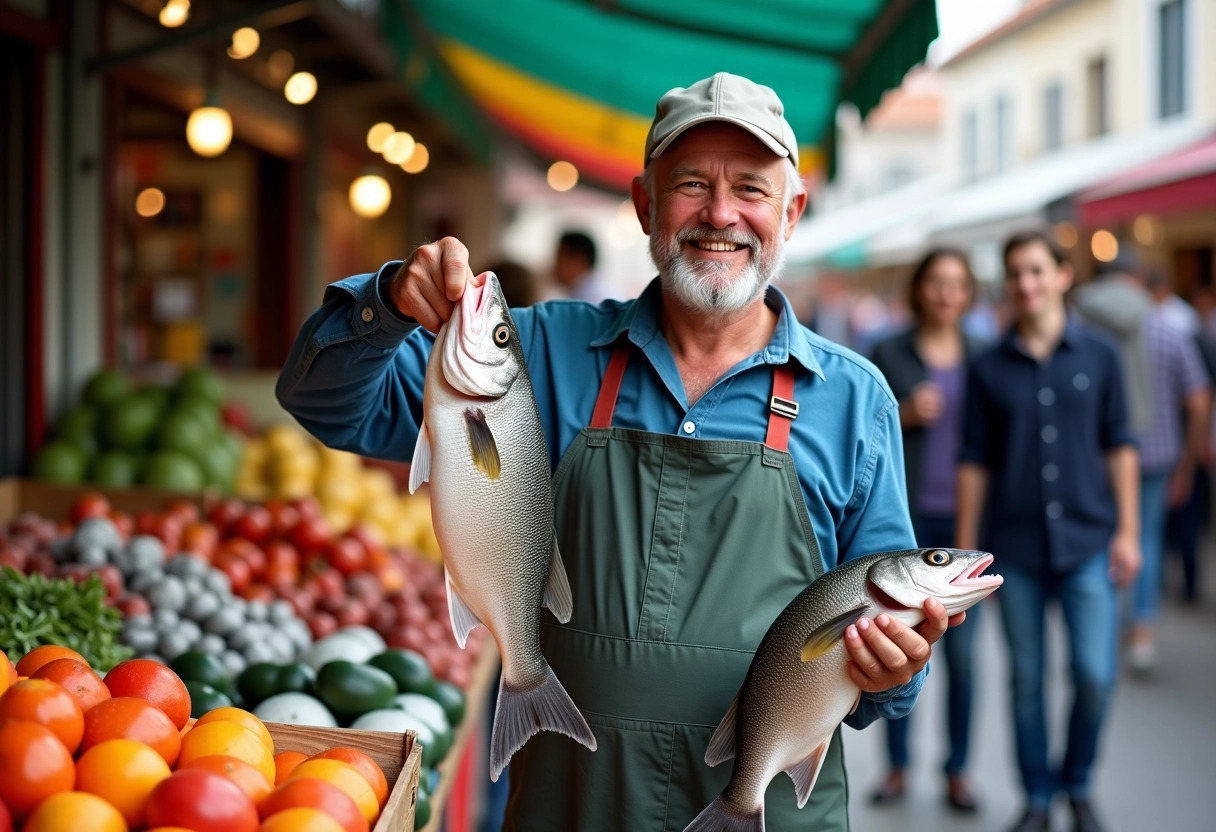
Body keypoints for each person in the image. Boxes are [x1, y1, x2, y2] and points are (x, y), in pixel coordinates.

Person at [277, 72, 964, 831]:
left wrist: (895, 665)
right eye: (692, 184)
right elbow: (326, 402)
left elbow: (889, 674)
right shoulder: (537, 352)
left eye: (752, 190)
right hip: (572, 806)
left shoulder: (856, 401)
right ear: (645, 204)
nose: (721, 214)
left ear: (791, 212)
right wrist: (386, 302)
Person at [956, 231, 1141, 832]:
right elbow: (974, 460)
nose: (1026, 284)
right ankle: (1037, 797)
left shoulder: (1101, 356)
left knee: (1095, 675)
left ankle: (1078, 783)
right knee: (1026, 681)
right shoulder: (986, 368)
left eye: (1037, 271)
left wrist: (1131, 532)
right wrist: (962, 553)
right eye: (1015, 274)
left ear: (1063, 275)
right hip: (1016, 550)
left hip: (1089, 541)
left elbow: (1121, 446)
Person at [868, 248, 987, 813]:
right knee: (900, 647)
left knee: (962, 658)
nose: (945, 293)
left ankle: (957, 770)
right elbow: (869, 424)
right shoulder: (890, 351)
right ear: (919, 290)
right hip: (907, 527)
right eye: (936, 282)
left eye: (956, 283)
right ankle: (896, 766)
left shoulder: (984, 356)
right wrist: (907, 413)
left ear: (969, 292)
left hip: (961, 529)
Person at [1124, 269, 1210, 674]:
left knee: (1115, 537)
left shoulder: (1108, 333)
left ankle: (1115, 625)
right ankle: (1142, 628)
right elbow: (1198, 400)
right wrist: (1188, 463)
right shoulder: (1169, 332)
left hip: (1110, 458)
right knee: (1148, 538)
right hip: (1160, 457)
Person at [553, 230, 615, 302]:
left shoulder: (591, 298)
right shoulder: (585, 292)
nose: (554, 265)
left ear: (578, 260)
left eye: (559, 258)